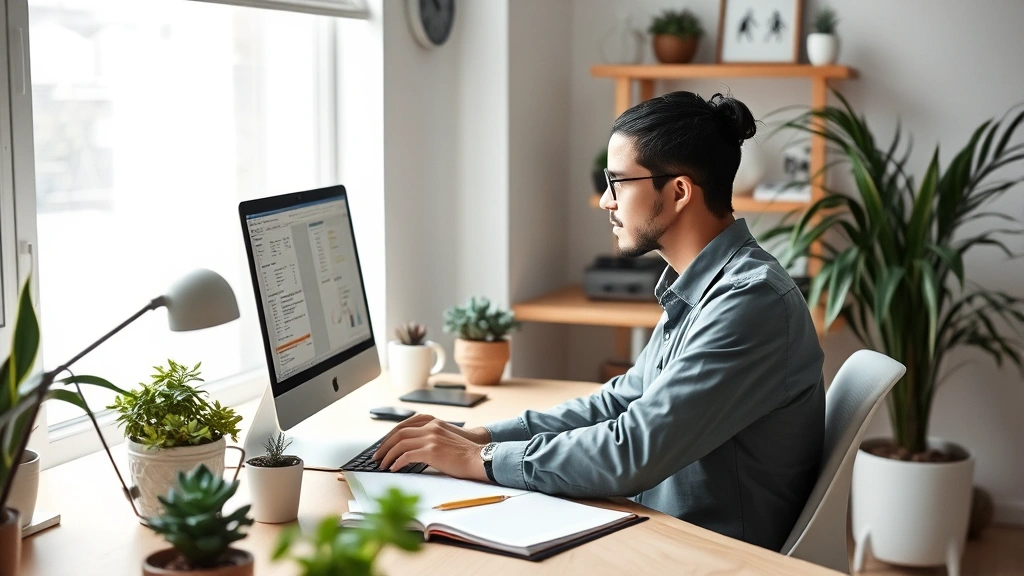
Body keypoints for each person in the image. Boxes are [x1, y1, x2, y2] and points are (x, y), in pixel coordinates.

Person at [373, 91, 825, 551]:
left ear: (680, 191)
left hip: (705, 554)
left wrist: (481, 459)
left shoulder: (748, 301)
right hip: (659, 531)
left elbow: (633, 449)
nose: (605, 201)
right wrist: (481, 436)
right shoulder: (705, 286)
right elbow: (618, 403)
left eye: (618, 183)